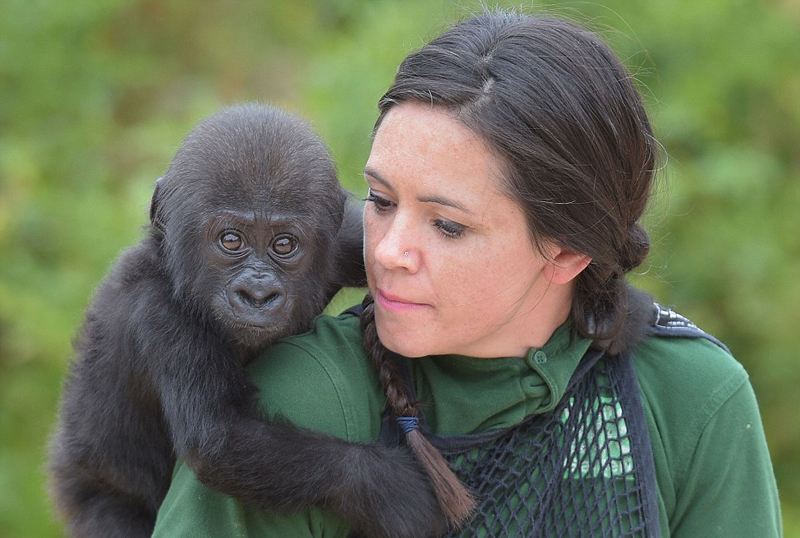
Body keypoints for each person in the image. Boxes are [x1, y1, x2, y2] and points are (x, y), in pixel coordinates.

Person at [152, 10, 781, 538]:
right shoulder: (300, 404)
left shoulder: (692, 397)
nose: (388, 252)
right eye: (380, 200)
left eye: (447, 226)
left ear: (566, 252)